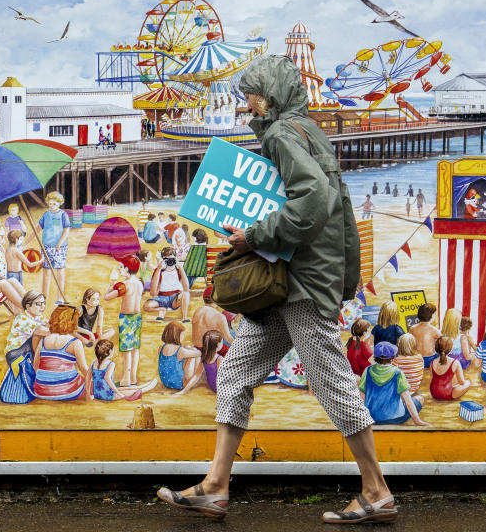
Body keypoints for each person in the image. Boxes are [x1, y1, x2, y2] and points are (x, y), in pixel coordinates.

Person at [158, 56, 394, 525]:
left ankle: (377, 491)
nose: (244, 103)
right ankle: (215, 486)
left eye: (250, 93)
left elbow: (316, 201)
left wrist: (255, 236)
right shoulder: (303, 130)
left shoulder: (285, 134)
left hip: (301, 282)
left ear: (270, 93)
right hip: (285, 282)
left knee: (331, 382)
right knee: (235, 372)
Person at [359, 341, 429, 426]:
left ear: (375, 357)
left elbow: (361, 398)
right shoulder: (397, 373)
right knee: (420, 399)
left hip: (372, 418)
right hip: (396, 418)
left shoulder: (367, 371)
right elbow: (408, 401)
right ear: (392, 358)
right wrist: (418, 421)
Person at [0, 291, 49, 404]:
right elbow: (43, 331)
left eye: (43, 303)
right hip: (15, 353)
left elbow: (50, 325)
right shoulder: (22, 319)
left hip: (27, 350)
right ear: (28, 306)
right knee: (38, 334)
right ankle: (37, 367)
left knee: (43, 336)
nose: (42, 307)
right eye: (38, 304)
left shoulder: (38, 318)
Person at [33, 306, 88, 401]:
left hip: (41, 391)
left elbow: (35, 366)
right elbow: (84, 369)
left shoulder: (44, 340)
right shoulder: (75, 342)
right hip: (67, 391)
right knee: (91, 383)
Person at [104, 255, 144, 385]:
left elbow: (106, 297)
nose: (119, 269)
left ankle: (126, 379)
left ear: (127, 269)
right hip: (137, 317)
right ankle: (133, 377)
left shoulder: (123, 285)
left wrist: (111, 283)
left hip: (126, 318)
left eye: (121, 267)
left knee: (126, 349)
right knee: (135, 349)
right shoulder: (139, 283)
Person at [87, 339, 157, 401]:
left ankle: (142, 386)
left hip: (97, 394)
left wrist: (88, 394)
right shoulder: (110, 364)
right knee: (128, 392)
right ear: (110, 351)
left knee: (126, 388)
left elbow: (88, 378)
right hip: (108, 395)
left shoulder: (93, 362)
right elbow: (107, 378)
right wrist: (118, 393)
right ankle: (146, 388)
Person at [37, 191, 70, 305]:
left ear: (59, 203)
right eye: (50, 204)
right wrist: (25, 242)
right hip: (46, 247)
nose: (51, 206)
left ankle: (60, 298)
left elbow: (66, 230)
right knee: (46, 272)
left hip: (59, 248)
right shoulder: (46, 215)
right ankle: (44, 297)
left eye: (54, 204)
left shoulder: (63, 215)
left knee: (60, 271)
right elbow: (38, 228)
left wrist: (59, 243)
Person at [144, 246, 190, 322]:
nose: (170, 262)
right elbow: (152, 293)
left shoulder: (178, 270)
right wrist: (158, 269)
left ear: (175, 259)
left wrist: (181, 268)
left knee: (186, 294)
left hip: (175, 298)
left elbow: (186, 288)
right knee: (147, 306)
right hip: (161, 298)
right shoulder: (159, 270)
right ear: (163, 260)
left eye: (172, 259)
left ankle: (184, 318)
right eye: (167, 259)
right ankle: (162, 309)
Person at [157, 321, 204, 395]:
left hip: (165, 382)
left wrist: (187, 348)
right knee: (195, 357)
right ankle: (192, 381)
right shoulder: (180, 350)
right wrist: (193, 349)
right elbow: (199, 353)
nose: (183, 337)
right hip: (179, 384)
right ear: (176, 335)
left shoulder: (161, 348)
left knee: (186, 353)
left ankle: (191, 380)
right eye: (182, 335)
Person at [190, 287, 234, 352]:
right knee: (232, 333)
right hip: (212, 352)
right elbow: (228, 339)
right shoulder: (220, 316)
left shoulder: (197, 311)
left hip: (197, 349)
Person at [428, 336, 471, 401]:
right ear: (450, 349)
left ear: (437, 348)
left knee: (451, 385)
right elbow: (462, 382)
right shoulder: (455, 362)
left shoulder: (432, 362)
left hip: (434, 393)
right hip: (447, 393)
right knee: (467, 383)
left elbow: (437, 379)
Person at [409, 304, 442, 370]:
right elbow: (444, 342)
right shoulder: (434, 330)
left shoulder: (412, 328)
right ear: (432, 316)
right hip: (431, 359)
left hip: (417, 359)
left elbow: (410, 342)